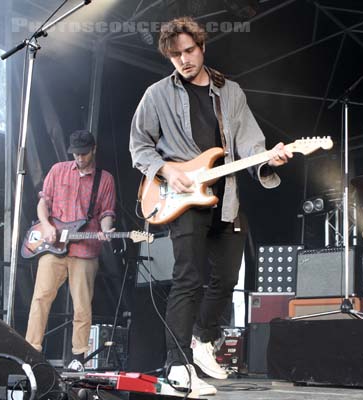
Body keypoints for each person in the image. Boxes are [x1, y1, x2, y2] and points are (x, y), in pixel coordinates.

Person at [129, 17, 292, 396]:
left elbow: (251, 143)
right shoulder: (156, 95)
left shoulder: (230, 92)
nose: (184, 60)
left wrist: (269, 158)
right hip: (185, 197)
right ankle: (177, 365)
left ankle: (203, 342)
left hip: (227, 195)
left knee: (228, 279)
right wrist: (166, 170)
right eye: (175, 55)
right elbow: (139, 145)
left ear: (202, 47)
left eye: (189, 51)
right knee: (188, 277)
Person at [25, 130, 116, 371]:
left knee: (82, 305)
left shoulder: (104, 179)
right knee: (40, 298)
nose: (79, 158)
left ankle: (78, 357)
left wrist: (106, 230)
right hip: (53, 247)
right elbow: (44, 202)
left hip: (85, 250)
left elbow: (107, 213)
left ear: (93, 149)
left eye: (84, 153)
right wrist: (45, 225)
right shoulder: (58, 170)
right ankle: (30, 351)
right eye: (75, 153)